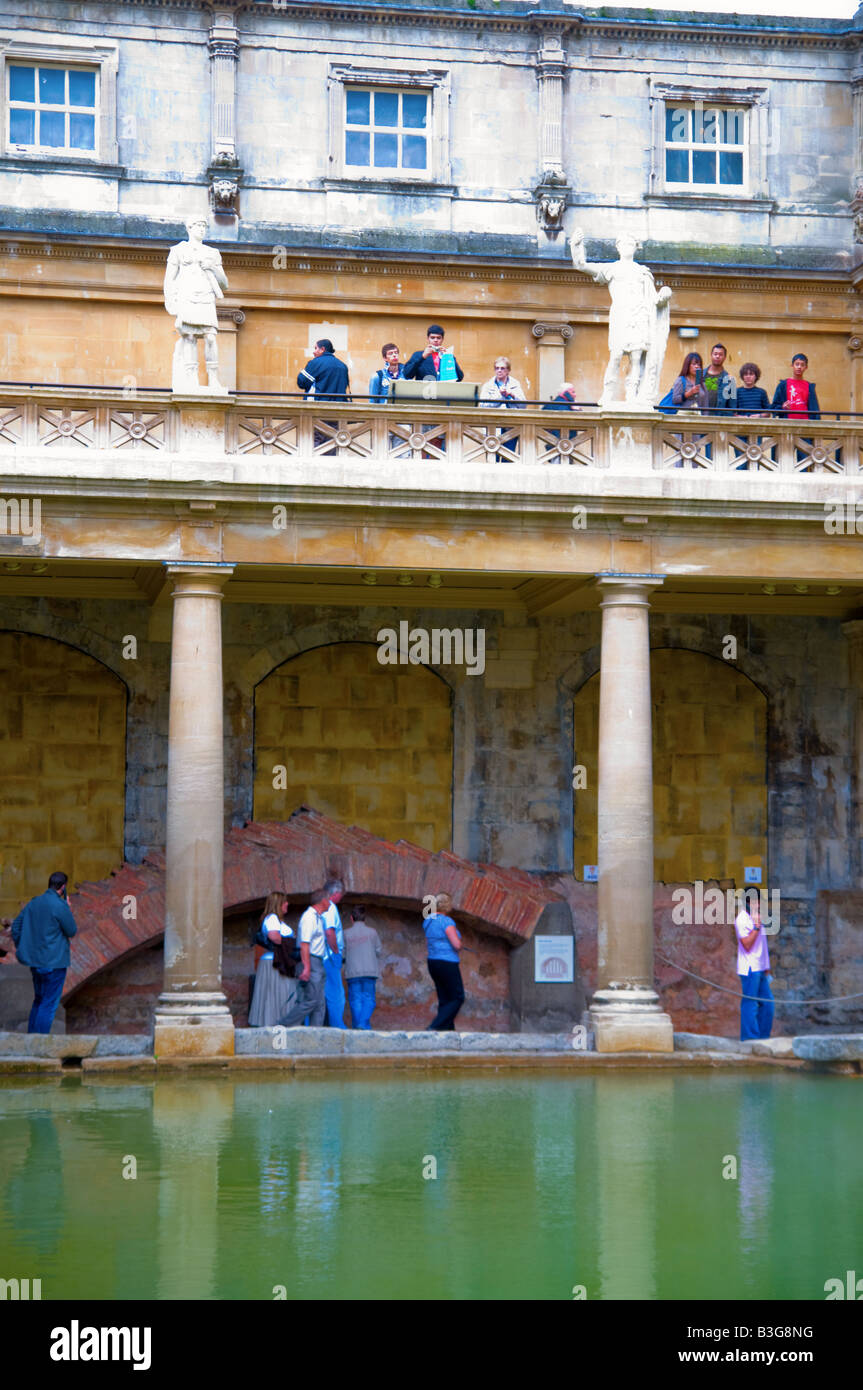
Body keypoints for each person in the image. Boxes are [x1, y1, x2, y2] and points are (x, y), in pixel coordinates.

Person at [570, 228, 671, 406]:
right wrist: (576, 245)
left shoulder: (642, 272)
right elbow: (581, 265)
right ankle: (608, 393)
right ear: (618, 247)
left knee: (636, 357)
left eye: (631, 244)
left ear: (635, 247)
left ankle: (632, 394)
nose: (627, 247)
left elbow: (654, 300)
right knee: (616, 355)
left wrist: (664, 295)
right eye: (624, 244)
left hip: (640, 316)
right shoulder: (613, 268)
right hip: (621, 316)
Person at [4, 872, 77, 1034]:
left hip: (35, 963)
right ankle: (40, 1045)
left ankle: (31, 1041)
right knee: (48, 1004)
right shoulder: (59, 905)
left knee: (38, 1000)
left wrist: (23, 946)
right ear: (63, 887)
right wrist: (67, 907)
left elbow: (16, 928)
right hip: (54, 963)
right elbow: (71, 930)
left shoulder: (34, 902)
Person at [163, 216, 229, 393]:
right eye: (198, 226)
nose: (201, 229)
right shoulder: (178, 250)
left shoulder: (212, 253)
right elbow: (169, 279)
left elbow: (224, 283)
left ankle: (213, 378)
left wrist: (212, 267)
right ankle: (191, 377)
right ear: (189, 228)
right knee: (189, 337)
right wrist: (171, 301)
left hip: (206, 297)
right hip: (186, 297)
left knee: (210, 337)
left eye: (204, 226)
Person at [248, 891, 304, 1028]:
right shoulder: (272, 918)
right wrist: (291, 942)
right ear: (278, 904)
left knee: (281, 993)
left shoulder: (277, 920)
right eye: (284, 902)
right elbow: (274, 937)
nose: (287, 904)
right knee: (277, 994)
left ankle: (281, 1022)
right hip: (274, 962)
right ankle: (275, 1023)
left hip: (279, 960)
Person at [287, 886, 331, 1028]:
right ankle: (284, 1025)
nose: (330, 903)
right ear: (323, 901)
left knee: (319, 1002)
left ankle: (315, 1034)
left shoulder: (318, 918)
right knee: (311, 1000)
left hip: (317, 960)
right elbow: (305, 944)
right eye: (329, 900)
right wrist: (306, 967)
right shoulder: (309, 918)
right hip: (311, 959)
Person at [423, 891, 465, 1031]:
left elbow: (428, 941)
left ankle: (447, 1030)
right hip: (447, 962)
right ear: (447, 906)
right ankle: (435, 1026)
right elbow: (456, 945)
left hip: (433, 961)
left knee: (444, 997)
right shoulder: (447, 922)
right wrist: (460, 944)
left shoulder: (428, 921)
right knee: (458, 997)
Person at [735, 891, 774, 1042]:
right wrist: (756, 927)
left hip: (760, 968)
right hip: (750, 968)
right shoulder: (742, 919)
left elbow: (762, 946)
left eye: (759, 901)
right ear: (747, 903)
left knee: (768, 1004)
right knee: (750, 1004)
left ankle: (763, 1038)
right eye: (755, 902)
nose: (758, 905)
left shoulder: (757, 918)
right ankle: (749, 1038)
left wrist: (767, 967)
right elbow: (747, 945)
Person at [343, 905, 383, 1030]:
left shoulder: (345, 933)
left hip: (353, 972)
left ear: (351, 918)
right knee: (369, 999)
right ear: (364, 918)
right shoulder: (372, 932)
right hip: (370, 971)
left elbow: (343, 954)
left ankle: (359, 1025)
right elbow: (378, 951)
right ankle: (363, 1024)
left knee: (355, 1000)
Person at [321, 877, 347, 1029]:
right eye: (341, 894)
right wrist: (336, 952)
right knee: (336, 996)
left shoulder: (322, 906)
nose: (342, 897)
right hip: (329, 956)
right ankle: (338, 1027)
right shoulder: (330, 908)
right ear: (335, 893)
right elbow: (329, 932)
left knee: (320, 994)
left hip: (324, 956)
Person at [771, 353, 821, 420]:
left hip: (806, 424)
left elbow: (815, 410)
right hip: (787, 424)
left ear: (806, 367)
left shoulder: (809, 387)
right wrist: (782, 407)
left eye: (802, 365)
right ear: (792, 365)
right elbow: (773, 407)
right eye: (797, 364)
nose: (799, 367)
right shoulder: (783, 385)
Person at [702, 342, 737, 415]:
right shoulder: (700, 375)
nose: (717, 356)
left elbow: (733, 407)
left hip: (719, 419)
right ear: (711, 355)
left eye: (720, 354)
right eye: (715, 354)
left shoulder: (730, 380)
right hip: (700, 417)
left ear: (725, 357)